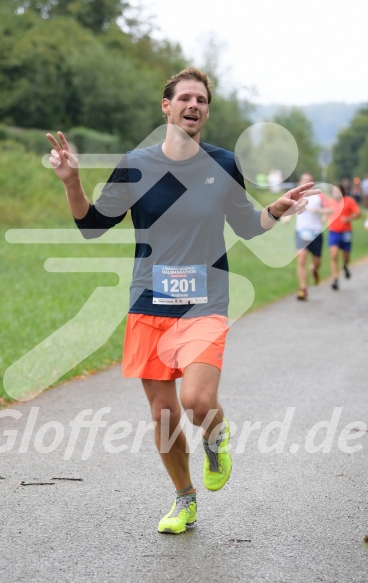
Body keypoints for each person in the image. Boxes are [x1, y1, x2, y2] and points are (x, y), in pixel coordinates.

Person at [46, 67, 317, 535]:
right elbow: (92, 225)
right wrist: (71, 181)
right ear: (166, 106)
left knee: (196, 399)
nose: (194, 105)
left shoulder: (224, 163)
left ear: (205, 111)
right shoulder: (135, 164)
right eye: (185, 98)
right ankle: (184, 499)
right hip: (148, 302)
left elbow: (247, 225)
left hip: (205, 301)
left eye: (202, 100)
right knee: (163, 414)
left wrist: (275, 209)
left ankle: (216, 437)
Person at [282, 173, 330, 301]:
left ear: (312, 183)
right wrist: (287, 217)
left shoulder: (319, 196)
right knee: (301, 258)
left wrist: (321, 213)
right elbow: (290, 209)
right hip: (301, 232)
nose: (306, 183)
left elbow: (328, 210)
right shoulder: (296, 196)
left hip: (316, 233)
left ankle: (314, 269)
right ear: (300, 183)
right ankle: (303, 289)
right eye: (304, 180)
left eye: (309, 181)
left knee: (317, 262)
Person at [326, 183, 360, 290]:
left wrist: (348, 218)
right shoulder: (329, 202)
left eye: (337, 191)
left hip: (346, 232)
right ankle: (335, 280)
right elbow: (325, 212)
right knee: (334, 255)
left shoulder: (349, 201)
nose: (335, 193)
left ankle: (345, 266)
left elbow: (358, 214)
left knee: (346, 256)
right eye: (334, 191)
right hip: (334, 232)